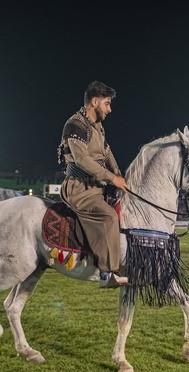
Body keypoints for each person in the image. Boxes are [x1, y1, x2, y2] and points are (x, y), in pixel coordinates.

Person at [58, 81, 128, 288]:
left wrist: (117, 173)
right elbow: (82, 160)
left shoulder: (97, 126)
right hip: (80, 189)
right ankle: (106, 273)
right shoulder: (75, 125)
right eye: (107, 104)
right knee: (108, 217)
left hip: (97, 186)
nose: (109, 109)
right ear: (94, 101)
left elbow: (106, 152)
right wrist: (111, 178)